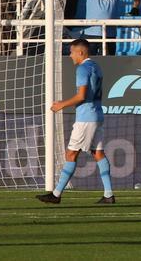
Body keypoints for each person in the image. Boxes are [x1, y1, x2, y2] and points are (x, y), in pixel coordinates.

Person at [36, 38, 115, 205]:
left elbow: (81, 96)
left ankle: (56, 194)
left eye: (71, 52)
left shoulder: (82, 68)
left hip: (86, 117)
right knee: (98, 153)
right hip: (98, 114)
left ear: (81, 52)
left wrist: (60, 105)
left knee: (71, 153)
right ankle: (109, 194)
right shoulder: (96, 66)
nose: (70, 55)